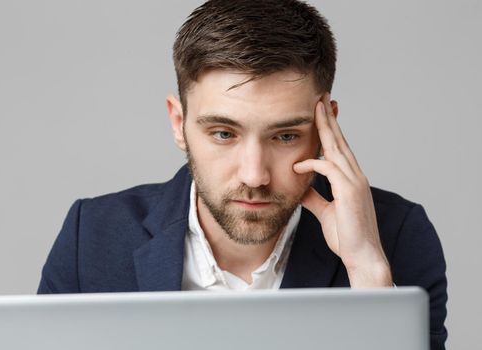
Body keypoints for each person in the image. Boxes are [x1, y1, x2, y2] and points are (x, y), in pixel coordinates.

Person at [37, 0, 447, 348]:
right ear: (179, 123)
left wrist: (368, 273)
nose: (254, 175)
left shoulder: (396, 238)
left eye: (285, 135)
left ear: (327, 129)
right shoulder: (91, 236)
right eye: (223, 133)